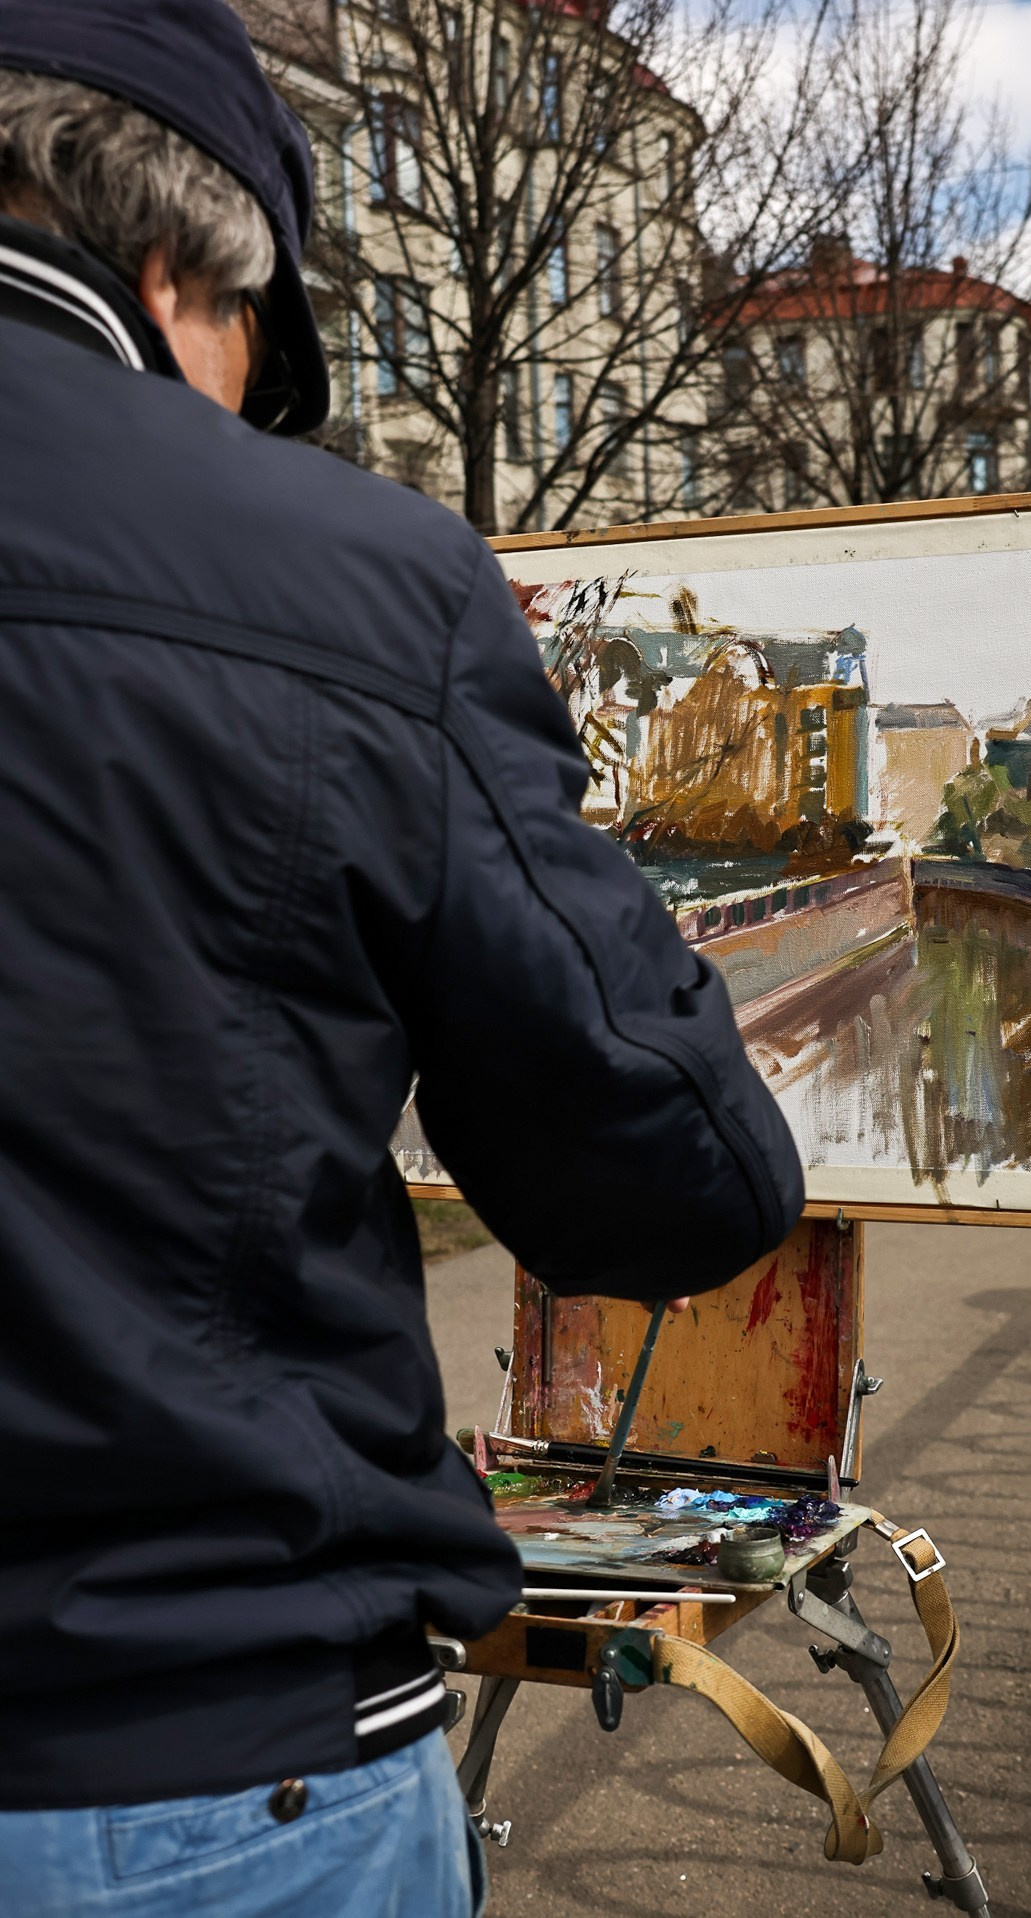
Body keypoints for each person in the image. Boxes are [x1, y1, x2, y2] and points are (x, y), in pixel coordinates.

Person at [0, 3, 804, 1914]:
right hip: (203, 1750)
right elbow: (673, 1177)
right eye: (262, 357)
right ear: (179, 266)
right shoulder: (352, 578)